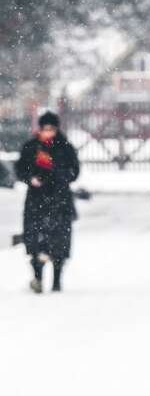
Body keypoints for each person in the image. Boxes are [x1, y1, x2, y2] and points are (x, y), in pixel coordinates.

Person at [15, 111, 80, 293]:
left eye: (51, 129)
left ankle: (57, 280)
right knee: (36, 242)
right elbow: (21, 169)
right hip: (36, 200)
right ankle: (37, 277)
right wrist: (31, 179)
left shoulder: (65, 147)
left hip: (59, 200)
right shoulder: (31, 147)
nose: (48, 132)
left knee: (59, 242)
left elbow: (74, 171)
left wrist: (59, 177)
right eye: (45, 129)